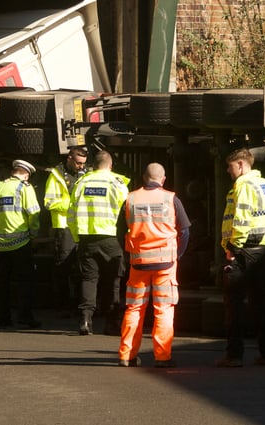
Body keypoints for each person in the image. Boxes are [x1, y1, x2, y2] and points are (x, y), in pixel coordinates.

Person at [116, 162, 191, 368]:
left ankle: (126, 356)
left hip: (138, 263)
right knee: (164, 309)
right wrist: (177, 254)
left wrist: (130, 252)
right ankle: (162, 357)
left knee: (134, 308)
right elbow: (184, 232)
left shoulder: (130, 199)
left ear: (143, 177)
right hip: (165, 264)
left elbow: (121, 230)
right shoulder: (170, 198)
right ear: (163, 179)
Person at [216, 148, 265, 367]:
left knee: (234, 304)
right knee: (261, 303)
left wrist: (233, 248)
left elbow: (241, 219)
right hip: (262, 251)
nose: (228, 170)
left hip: (242, 252)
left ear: (242, 165)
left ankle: (234, 355)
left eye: (231, 166)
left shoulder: (243, 186)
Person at [68, 150, 130, 336]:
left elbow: (71, 215)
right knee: (113, 282)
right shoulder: (117, 183)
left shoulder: (81, 182)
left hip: (87, 238)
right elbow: (128, 213)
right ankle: (112, 323)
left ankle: (86, 320)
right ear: (110, 166)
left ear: (94, 165)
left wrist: (77, 237)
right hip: (111, 239)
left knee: (89, 279)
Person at [0, 159, 42, 329]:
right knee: (24, 281)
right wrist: (34, 233)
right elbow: (33, 213)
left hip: (0, 245)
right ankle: (24, 316)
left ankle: (3, 317)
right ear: (26, 175)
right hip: (20, 243)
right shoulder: (25, 188)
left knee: (1, 282)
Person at [43, 146, 89, 315]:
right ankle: (62, 305)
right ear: (69, 158)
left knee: (82, 267)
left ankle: (79, 304)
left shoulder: (85, 174)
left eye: (83, 164)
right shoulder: (56, 176)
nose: (81, 167)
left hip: (82, 225)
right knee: (63, 266)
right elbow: (48, 202)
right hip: (64, 226)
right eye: (78, 163)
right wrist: (70, 204)